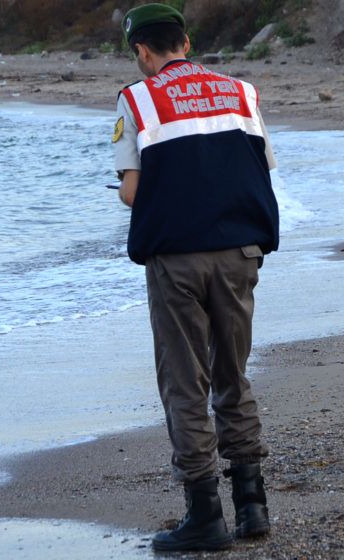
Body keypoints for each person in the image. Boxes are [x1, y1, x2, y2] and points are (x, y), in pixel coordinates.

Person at [112, 3, 279, 552]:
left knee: (186, 382)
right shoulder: (242, 91)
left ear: (141, 50)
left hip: (178, 259)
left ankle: (205, 515)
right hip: (239, 253)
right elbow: (261, 166)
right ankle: (253, 508)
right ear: (185, 40)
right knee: (234, 373)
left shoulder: (137, 98)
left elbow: (133, 193)